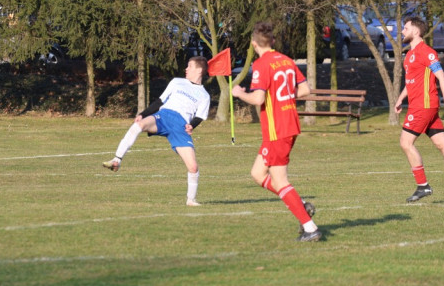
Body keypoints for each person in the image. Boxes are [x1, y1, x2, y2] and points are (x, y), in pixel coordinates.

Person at [231, 22, 320, 242]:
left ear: (253, 44)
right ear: (272, 42)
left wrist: (239, 93)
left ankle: (310, 228)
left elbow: (258, 98)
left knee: (280, 181)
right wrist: (286, 97)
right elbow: (306, 89)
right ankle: (300, 206)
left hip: (276, 129)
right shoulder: (287, 61)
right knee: (257, 174)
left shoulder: (262, 65)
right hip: (288, 124)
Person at [102, 57, 211, 206]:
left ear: (199, 70)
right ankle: (117, 160)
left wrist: (192, 125)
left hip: (180, 126)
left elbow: (200, 116)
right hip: (164, 116)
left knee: (193, 167)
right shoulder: (176, 82)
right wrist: (143, 113)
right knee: (138, 125)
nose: (186, 69)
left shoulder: (204, 95)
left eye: (189, 66)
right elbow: (160, 101)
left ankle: (191, 200)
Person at [394, 16, 444, 204]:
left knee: (406, 142)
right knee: (441, 143)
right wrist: (400, 98)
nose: (402, 31)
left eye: (406, 28)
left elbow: (442, 76)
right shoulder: (409, 55)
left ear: (416, 31)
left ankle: (423, 186)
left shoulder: (426, 52)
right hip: (419, 105)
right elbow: (411, 82)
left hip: (424, 105)